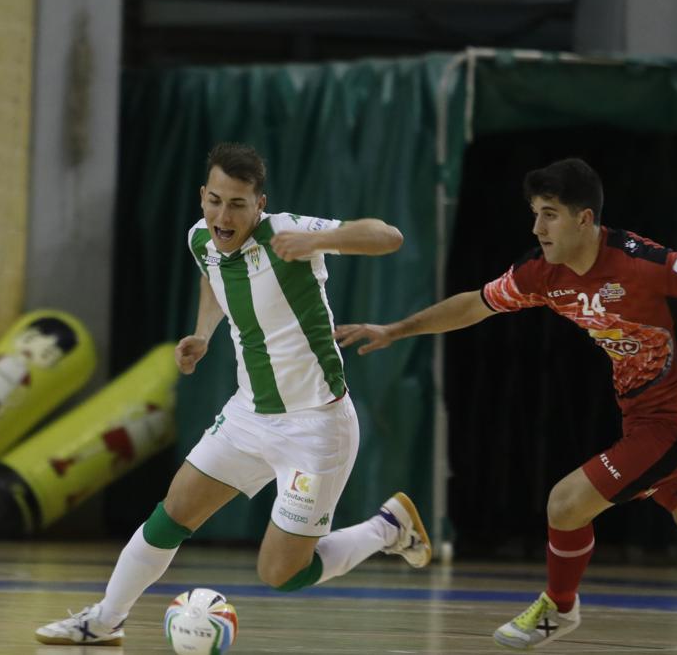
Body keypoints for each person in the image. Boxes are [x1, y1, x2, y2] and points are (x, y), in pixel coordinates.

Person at [335, 158, 677, 654]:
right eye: (534, 213)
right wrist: (395, 330)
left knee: (566, 502)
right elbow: (474, 303)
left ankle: (559, 606)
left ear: (584, 219)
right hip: (643, 417)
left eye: (549, 213)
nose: (537, 227)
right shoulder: (543, 274)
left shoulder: (641, 262)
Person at [35, 142, 433, 646]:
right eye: (216, 200)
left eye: (238, 204)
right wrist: (203, 334)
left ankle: (385, 530)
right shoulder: (201, 238)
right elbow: (212, 280)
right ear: (203, 196)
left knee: (281, 573)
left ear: (259, 205)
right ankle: (104, 621)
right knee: (172, 513)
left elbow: (389, 237)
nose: (224, 215)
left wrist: (319, 241)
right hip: (248, 415)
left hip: (316, 427)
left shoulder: (288, 232)